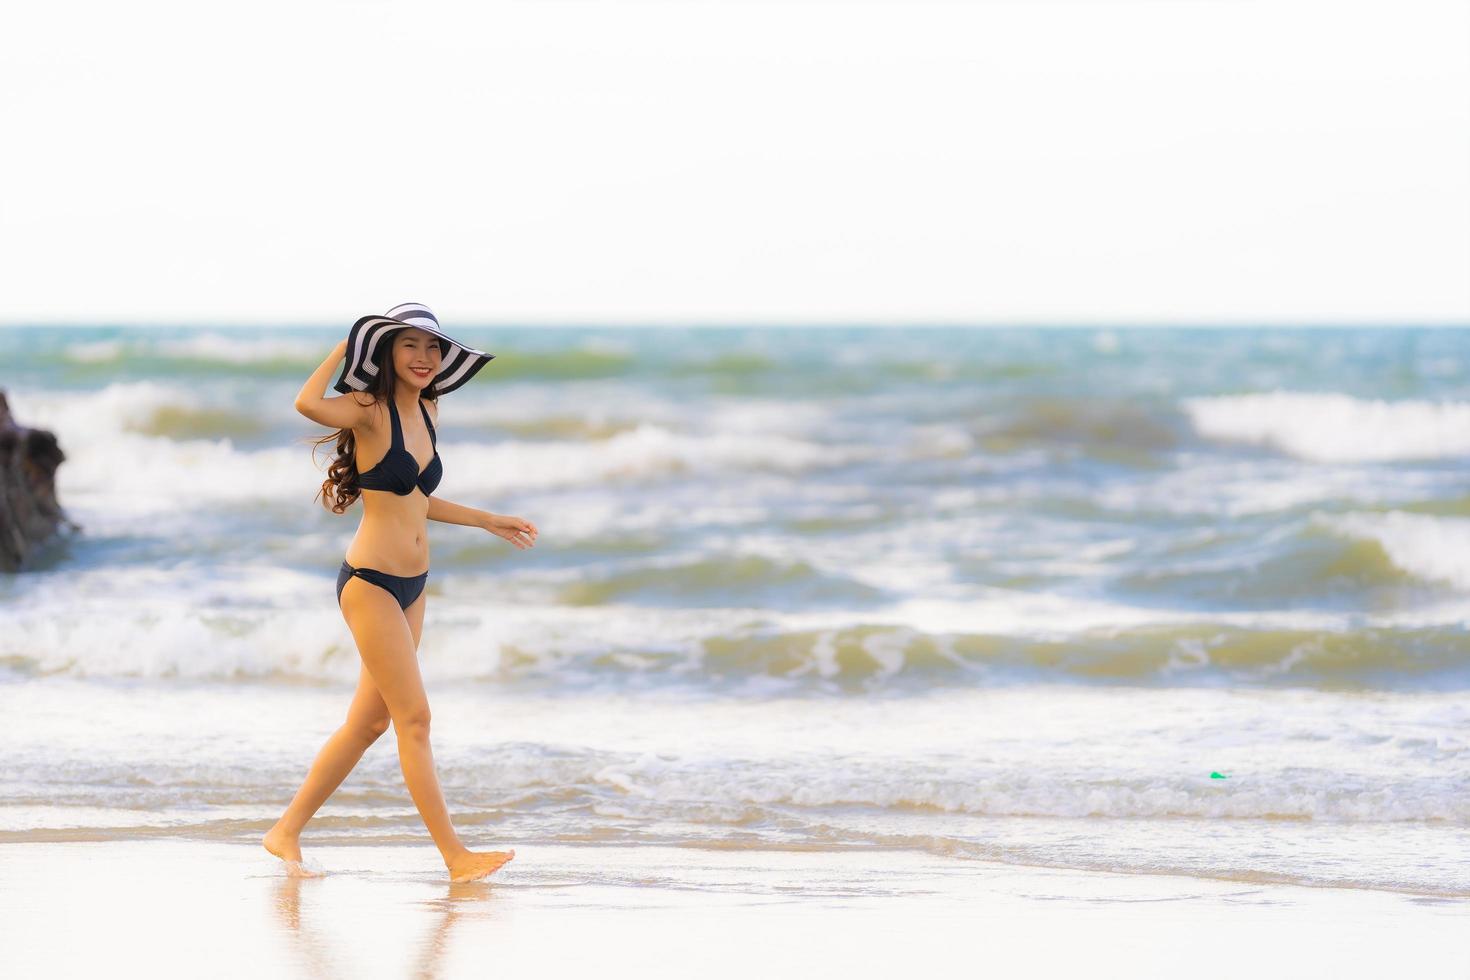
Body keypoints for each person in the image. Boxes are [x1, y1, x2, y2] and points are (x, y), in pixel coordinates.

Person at [264, 304, 536, 883]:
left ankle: (284, 830)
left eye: (433, 348)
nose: (423, 358)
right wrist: (346, 346)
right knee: (415, 719)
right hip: (369, 585)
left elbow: (416, 501)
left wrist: (487, 519)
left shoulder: (430, 410)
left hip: (414, 587)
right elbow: (306, 403)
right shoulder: (367, 408)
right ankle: (456, 858)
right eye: (409, 345)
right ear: (386, 350)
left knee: (368, 725)